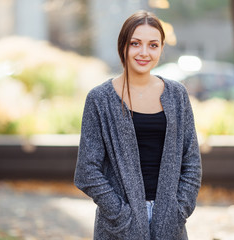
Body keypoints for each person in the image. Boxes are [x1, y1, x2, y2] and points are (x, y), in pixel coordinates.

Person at [74, 10, 202, 240]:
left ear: (162, 48)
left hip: (170, 221)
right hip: (117, 225)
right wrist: (121, 214)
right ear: (123, 45)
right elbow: (86, 171)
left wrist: (178, 211)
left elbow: (191, 160)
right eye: (135, 43)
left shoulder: (177, 95)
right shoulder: (100, 99)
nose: (144, 52)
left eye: (153, 45)